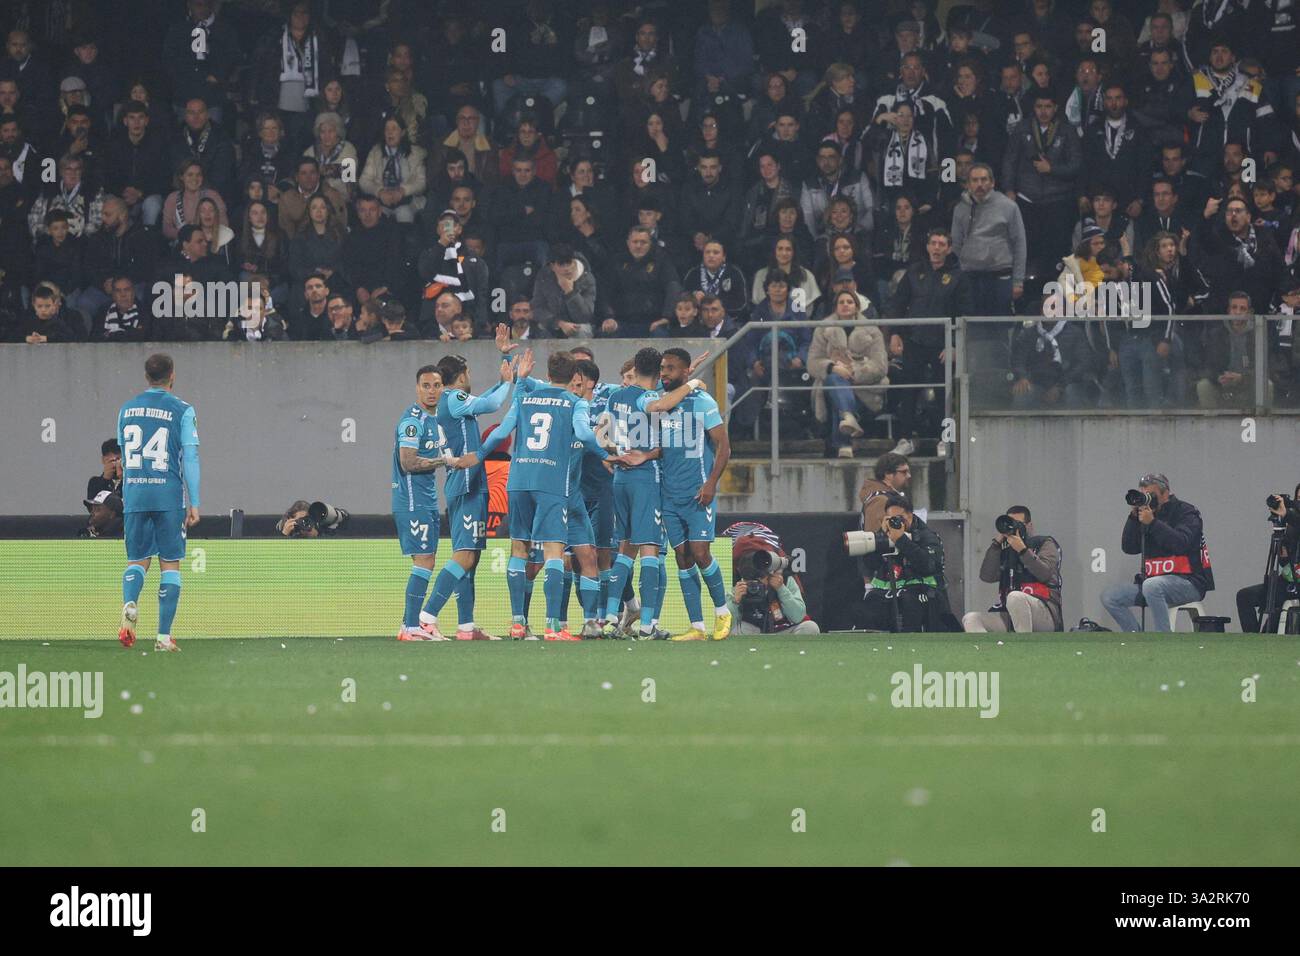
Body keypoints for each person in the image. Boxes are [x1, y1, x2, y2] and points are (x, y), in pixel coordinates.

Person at [608, 347, 732, 644]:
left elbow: (724, 446)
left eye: (671, 369)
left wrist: (712, 483)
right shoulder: (662, 403)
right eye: (662, 368)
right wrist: (645, 457)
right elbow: (667, 446)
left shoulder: (703, 402)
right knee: (682, 557)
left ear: (686, 372)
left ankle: (723, 611)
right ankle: (697, 626)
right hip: (668, 492)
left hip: (698, 490)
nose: (664, 374)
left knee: (701, 553)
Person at [416, 334, 519, 641]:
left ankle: (465, 627)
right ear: (460, 377)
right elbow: (493, 401)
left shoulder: (452, 404)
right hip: (467, 482)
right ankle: (426, 618)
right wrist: (508, 378)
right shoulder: (454, 398)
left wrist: (505, 363)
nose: (471, 378)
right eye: (469, 373)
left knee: (470, 556)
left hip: (464, 482)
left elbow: (488, 395)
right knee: (465, 555)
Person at [115, 354, 200, 652]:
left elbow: (123, 457)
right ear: (172, 376)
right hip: (168, 496)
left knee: (137, 560)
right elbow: (190, 457)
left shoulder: (126, 410)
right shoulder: (183, 410)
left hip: (135, 493)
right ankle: (164, 637)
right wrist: (195, 502)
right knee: (170, 564)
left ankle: (130, 601)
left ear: (146, 376)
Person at [1101, 473, 1215, 633]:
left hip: (1189, 583)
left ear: (1166, 493)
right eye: (1144, 494)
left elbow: (1181, 543)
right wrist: (1133, 517)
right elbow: (1129, 547)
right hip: (1153, 583)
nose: (1148, 499)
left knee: (1152, 586)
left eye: (1151, 495)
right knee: (1111, 597)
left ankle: (1163, 639)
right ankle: (1137, 638)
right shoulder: (1146, 514)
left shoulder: (1186, 512)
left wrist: (1153, 523)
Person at [390, 363, 450, 641]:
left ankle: (410, 624)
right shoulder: (413, 421)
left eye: (436, 385)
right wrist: (445, 462)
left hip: (425, 498)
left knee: (426, 559)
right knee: (424, 559)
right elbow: (408, 461)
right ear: (417, 388)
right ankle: (411, 627)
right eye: (426, 386)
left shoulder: (435, 418)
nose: (431, 391)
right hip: (413, 499)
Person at [853, 493, 949, 632]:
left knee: (909, 603)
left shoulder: (926, 536)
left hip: (922, 592)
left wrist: (901, 540)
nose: (896, 523)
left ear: (910, 516)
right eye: (892, 519)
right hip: (888, 592)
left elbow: (929, 565)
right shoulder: (886, 534)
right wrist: (881, 536)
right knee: (869, 603)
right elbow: (870, 564)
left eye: (900, 519)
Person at [962, 506, 1063, 633]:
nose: (1014, 528)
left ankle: (1022, 648)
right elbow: (987, 576)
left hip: (1043, 612)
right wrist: (996, 545)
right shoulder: (1005, 550)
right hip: (1010, 614)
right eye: (1010, 523)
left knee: (1015, 597)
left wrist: (1023, 550)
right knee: (971, 618)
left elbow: (1044, 573)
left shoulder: (1044, 543)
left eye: (1018, 524)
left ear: (1029, 526)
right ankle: (987, 653)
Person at [950, 162, 1026, 316]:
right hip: (970, 278)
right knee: (971, 330)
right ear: (968, 184)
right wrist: (969, 259)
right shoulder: (959, 209)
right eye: (975, 180)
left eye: (984, 180)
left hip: (1001, 277)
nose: (980, 184)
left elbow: (1019, 244)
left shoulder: (1008, 206)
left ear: (992, 183)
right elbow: (956, 244)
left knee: (999, 331)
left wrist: (1018, 281)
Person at [1237, 489, 1300, 632]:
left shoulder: (1293, 519)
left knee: (1277, 616)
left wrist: (1288, 513)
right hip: (1288, 583)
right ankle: (1252, 642)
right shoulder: (1291, 527)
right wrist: (1283, 550)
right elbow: (1285, 563)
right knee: (1244, 596)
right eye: (1298, 499)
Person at [87, 438, 122, 502]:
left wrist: (123, 478)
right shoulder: (95, 482)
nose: (115, 464)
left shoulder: (131, 481)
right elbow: (94, 506)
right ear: (103, 460)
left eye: (118, 460)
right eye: (112, 461)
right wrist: (105, 479)